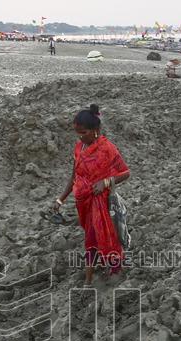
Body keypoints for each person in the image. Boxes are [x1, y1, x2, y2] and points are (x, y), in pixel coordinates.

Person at [53, 105, 130, 283]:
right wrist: (60, 199)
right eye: (77, 133)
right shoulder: (79, 148)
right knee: (92, 236)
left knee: (94, 238)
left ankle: (95, 277)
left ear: (96, 130)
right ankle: (104, 267)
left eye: (84, 132)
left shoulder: (107, 149)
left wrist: (105, 182)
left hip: (100, 202)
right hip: (83, 203)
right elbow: (74, 176)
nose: (80, 136)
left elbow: (125, 173)